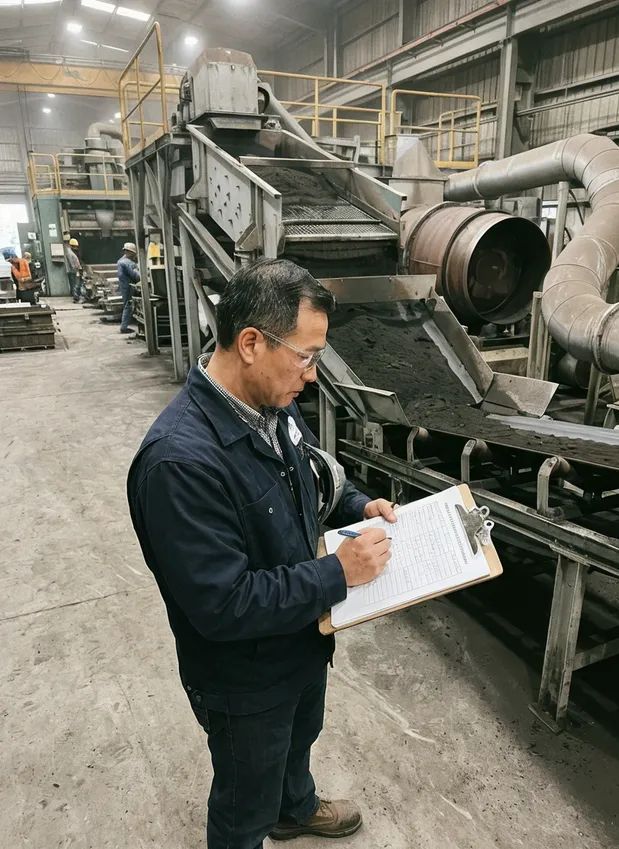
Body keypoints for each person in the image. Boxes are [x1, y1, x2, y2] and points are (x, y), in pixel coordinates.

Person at [127, 259, 397, 849]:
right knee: (245, 797)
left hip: (300, 640)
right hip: (245, 679)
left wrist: (358, 506)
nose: (312, 375)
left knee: (298, 742)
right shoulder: (180, 464)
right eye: (306, 356)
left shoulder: (274, 402)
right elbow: (223, 604)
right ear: (251, 343)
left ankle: (294, 809)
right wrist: (336, 574)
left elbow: (312, 476)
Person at [118, 242, 140, 334]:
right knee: (129, 305)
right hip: (129, 286)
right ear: (132, 252)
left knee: (127, 305)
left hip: (124, 286)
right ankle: (124, 327)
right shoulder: (128, 263)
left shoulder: (121, 261)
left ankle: (125, 325)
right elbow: (136, 276)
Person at [64, 238, 83, 303]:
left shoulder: (71, 252)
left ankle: (75, 296)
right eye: (75, 246)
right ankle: (75, 297)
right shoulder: (70, 253)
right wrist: (76, 268)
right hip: (73, 271)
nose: (76, 248)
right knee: (75, 284)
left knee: (75, 284)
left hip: (73, 270)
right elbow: (71, 263)